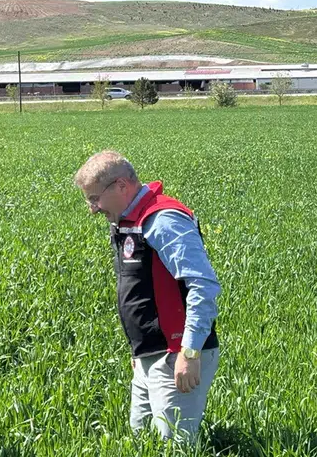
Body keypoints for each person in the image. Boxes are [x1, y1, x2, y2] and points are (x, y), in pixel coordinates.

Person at [73, 150, 220, 440]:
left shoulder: (164, 221)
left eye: (94, 198)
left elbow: (202, 286)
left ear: (121, 186)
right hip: (148, 355)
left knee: (173, 445)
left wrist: (189, 353)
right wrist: (138, 351)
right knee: (141, 438)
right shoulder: (128, 221)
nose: (92, 208)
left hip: (176, 354)